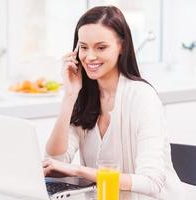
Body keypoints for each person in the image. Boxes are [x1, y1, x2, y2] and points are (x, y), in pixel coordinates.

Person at [43, 5, 183, 199]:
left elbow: (151, 182)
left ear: (122, 47)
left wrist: (79, 171)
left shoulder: (142, 97)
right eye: (83, 47)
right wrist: (69, 96)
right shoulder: (85, 97)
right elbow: (54, 161)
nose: (89, 56)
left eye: (101, 47)